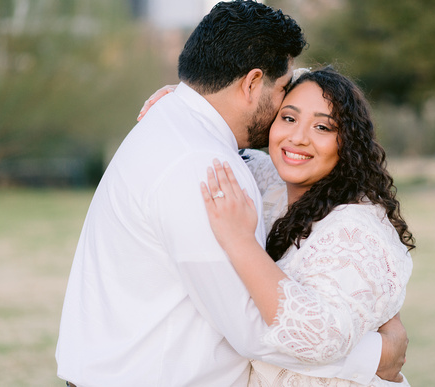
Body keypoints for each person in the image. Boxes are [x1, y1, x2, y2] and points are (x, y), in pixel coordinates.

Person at [57, 1, 407, 386]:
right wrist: (378, 355)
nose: (286, 120)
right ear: (253, 83)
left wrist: (191, 91)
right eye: (284, 98)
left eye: (322, 127)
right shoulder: (205, 169)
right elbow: (254, 328)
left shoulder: (178, 126)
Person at [199, 68, 414, 386]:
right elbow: (220, 114)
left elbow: (319, 338)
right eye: (288, 118)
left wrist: (240, 241)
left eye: (323, 127)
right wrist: (187, 101)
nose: (298, 137)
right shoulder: (269, 181)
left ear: (348, 143)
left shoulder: (353, 230)